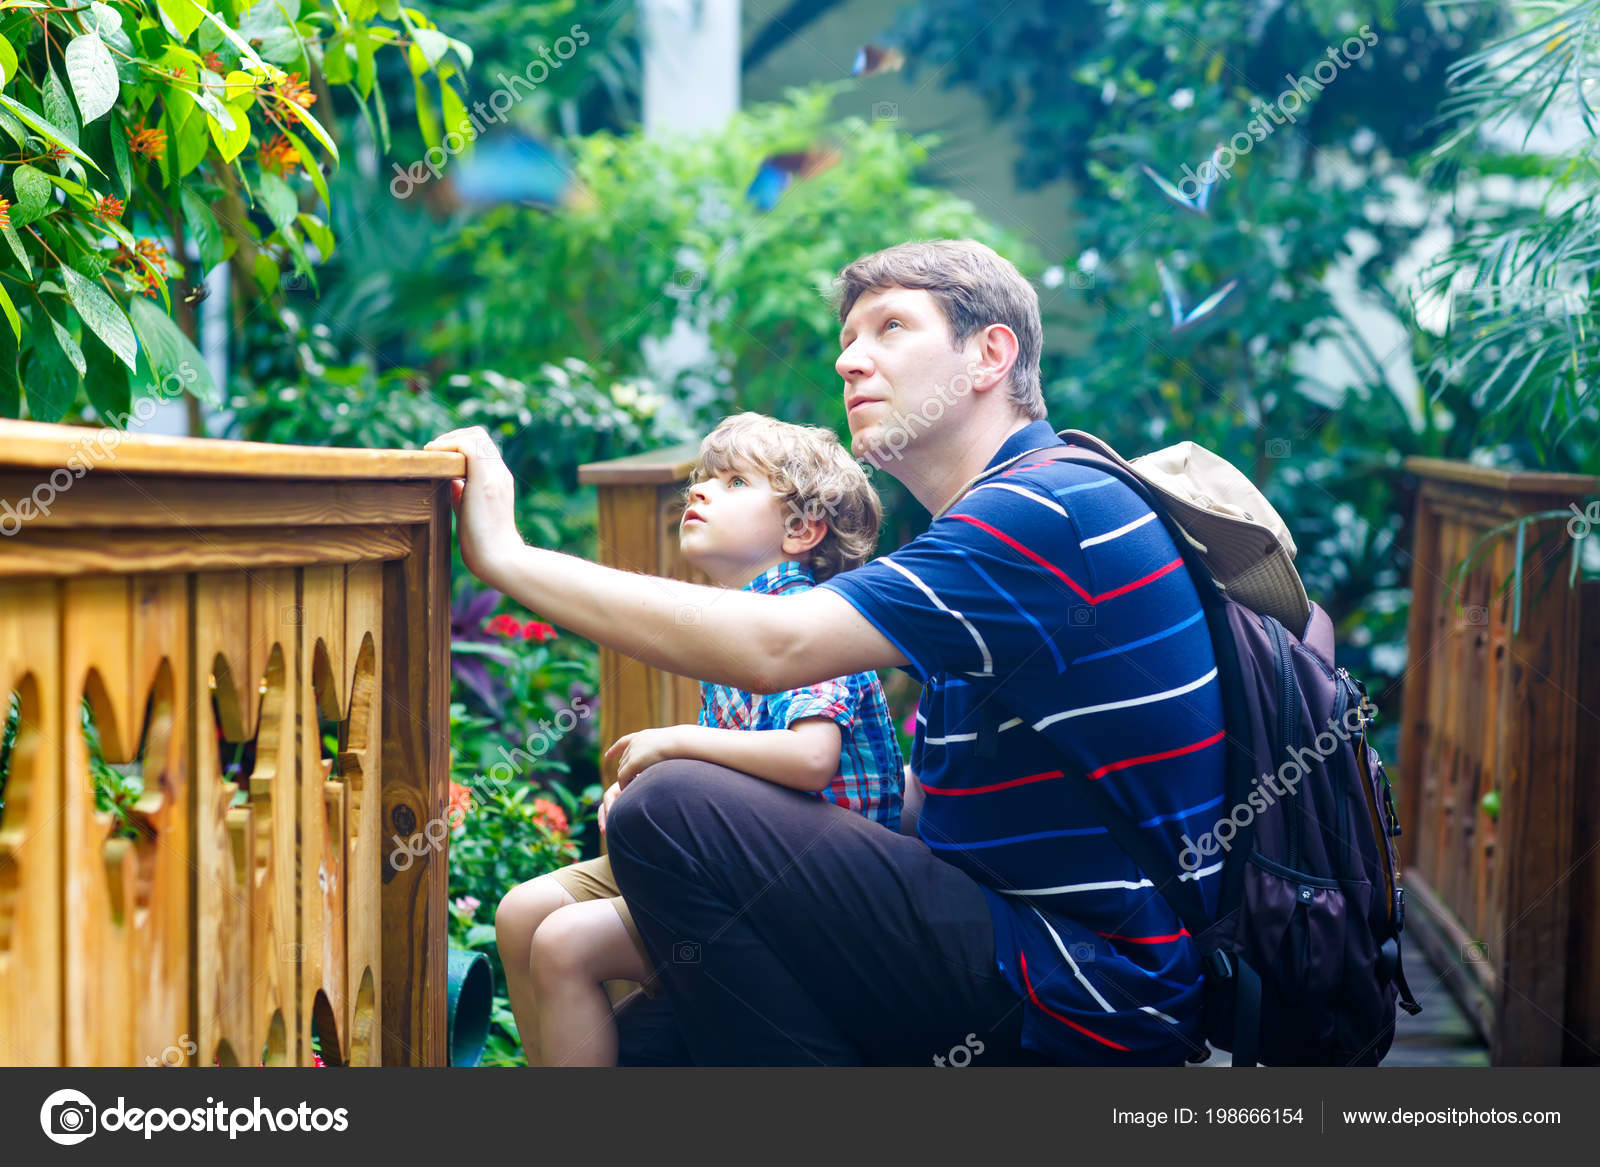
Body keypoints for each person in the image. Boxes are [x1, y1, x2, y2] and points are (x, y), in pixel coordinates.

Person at [428, 238, 1225, 1066]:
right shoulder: (1016, 506)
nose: (851, 359)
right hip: (1021, 947)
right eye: (848, 338)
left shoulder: (1042, 509)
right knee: (645, 1047)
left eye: (890, 329)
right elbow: (921, 805)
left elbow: (777, 645)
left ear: (991, 354)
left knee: (669, 805)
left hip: (1079, 983)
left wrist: (507, 556)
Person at [492, 413, 904, 1066]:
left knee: (565, 943)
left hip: (804, 889)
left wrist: (676, 745)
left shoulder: (805, 620)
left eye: (735, 481)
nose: (701, 492)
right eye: (701, 479)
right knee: (522, 912)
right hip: (732, 861)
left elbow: (809, 758)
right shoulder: (734, 619)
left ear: (802, 528)